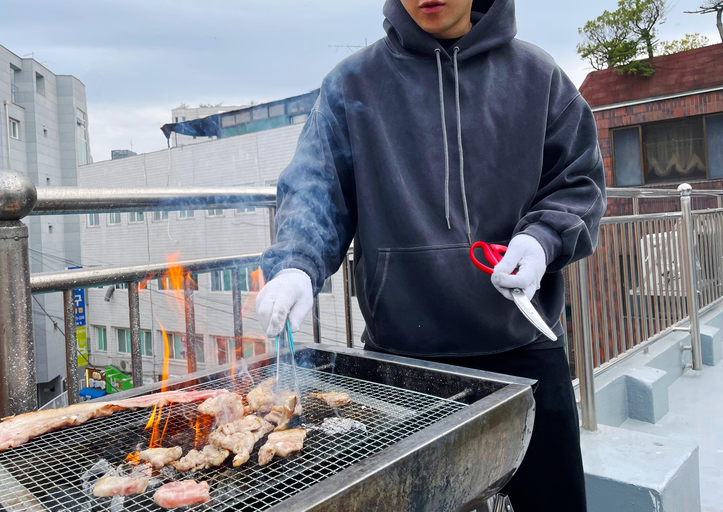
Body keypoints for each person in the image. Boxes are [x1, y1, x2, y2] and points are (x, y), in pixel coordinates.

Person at [256, 0, 606, 510]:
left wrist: (539, 241)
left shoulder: (538, 77)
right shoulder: (353, 85)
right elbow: (316, 192)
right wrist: (296, 266)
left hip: (524, 351)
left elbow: (578, 182)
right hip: (399, 365)